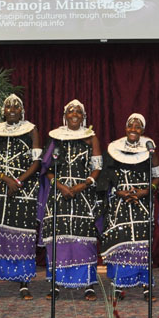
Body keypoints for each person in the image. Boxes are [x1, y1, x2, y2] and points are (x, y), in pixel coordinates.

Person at [0, 94, 42, 300]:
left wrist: (18, 181)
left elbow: (37, 160)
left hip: (24, 188)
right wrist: (4, 178)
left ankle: (23, 284)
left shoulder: (31, 130)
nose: (12, 109)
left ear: (22, 111)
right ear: (3, 111)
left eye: (16, 106)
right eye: (8, 107)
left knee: (22, 236)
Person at [40, 99, 103, 300]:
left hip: (83, 193)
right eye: (70, 111)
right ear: (65, 116)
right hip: (58, 193)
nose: (74, 114)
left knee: (84, 239)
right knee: (58, 239)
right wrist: (61, 187)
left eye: (78, 111)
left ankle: (88, 285)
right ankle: (56, 284)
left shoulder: (91, 138)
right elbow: (47, 169)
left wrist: (81, 186)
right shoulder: (55, 138)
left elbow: (97, 167)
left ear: (84, 117)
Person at [100, 113, 159, 300]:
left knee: (142, 244)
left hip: (142, 202)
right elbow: (105, 178)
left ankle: (145, 285)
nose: (133, 129)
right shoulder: (113, 149)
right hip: (119, 202)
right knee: (120, 243)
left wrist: (147, 190)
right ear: (125, 128)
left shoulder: (150, 150)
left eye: (137, 126)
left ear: (142, 130)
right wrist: (119, 192)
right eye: (130, 126)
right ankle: (119, 285)